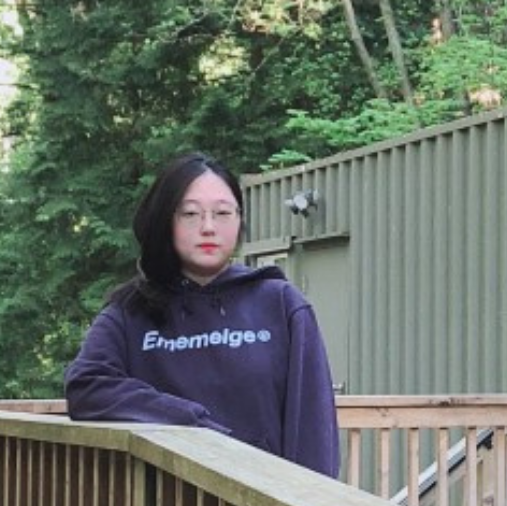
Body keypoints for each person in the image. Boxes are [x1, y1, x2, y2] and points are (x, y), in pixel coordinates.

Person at [64, 151, 340, 477]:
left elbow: (313, 425)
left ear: (239, 220)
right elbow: (87, 387)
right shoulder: (130, 311)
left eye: (223, 213)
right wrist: (187, 421)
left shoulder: (280, 304)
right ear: (166, 220)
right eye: (190, 214)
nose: (208, 227)